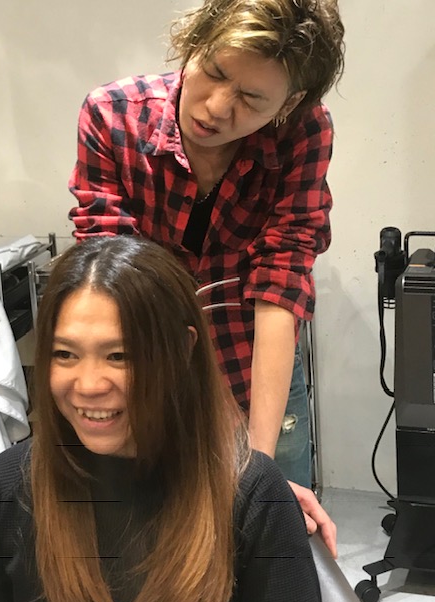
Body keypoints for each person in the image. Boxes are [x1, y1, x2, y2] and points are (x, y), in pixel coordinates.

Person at [68, 0, 345, 556]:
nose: (217, 108)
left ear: (289, 103)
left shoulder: (303, 133)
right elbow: (113, 274)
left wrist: (258, 471)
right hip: (147, 348)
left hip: (255, 353)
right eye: (214, 71)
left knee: (273, 527)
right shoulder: (113, 116)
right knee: (156, 531)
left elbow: (282, 279)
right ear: (193, 44)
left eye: (251, 99)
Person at [0, 236, 332, 602]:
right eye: (65, 354)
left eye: (119, 356)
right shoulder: (11, 483)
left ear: (183, 350)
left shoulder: (253, 494)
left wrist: (253, 489)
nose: (88, 385)